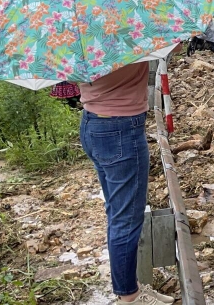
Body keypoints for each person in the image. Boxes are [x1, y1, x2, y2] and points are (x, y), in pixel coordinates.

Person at [78, 63, 175, 304]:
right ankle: (129, 297)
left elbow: (71, 79)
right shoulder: (130, 32)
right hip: (122, 128)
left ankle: (129, 287)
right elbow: (171, 47)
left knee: (116, 211)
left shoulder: (78, 38)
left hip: (92, 123)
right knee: (127, 218)